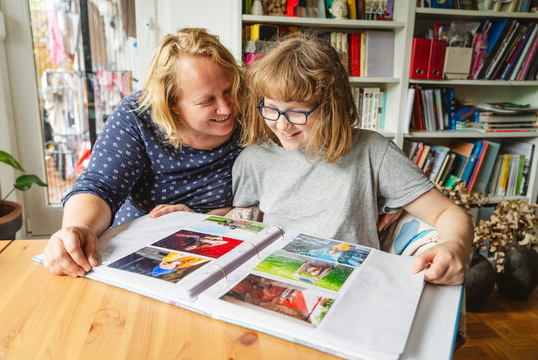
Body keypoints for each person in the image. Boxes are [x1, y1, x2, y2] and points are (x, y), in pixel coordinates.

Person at [232, 34, 473, 286]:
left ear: (330, 106)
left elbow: (448, 213)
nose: (281, 124)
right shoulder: (253, 160)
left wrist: (456, 246)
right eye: (270, 107)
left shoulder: (373, 151)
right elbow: (238, 223)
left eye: (296, 111)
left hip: (354, 284)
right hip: (278, 280)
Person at [43, 28, 244, 277]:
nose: (226, 107)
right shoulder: (136, 116)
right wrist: (78, 229)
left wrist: (201, 220)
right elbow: (100, 185)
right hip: (138, 250)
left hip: (223, 248)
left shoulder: (252, 112)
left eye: (228, 90)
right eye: (206, 101)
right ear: (173, 104)